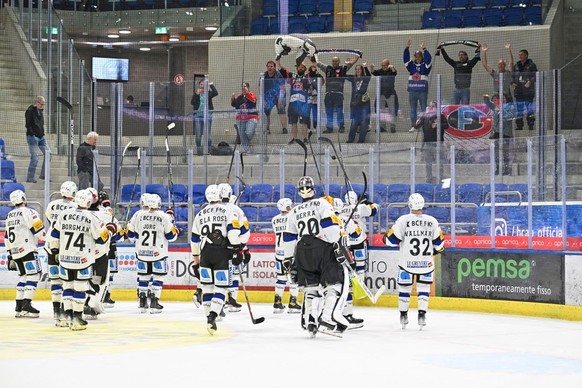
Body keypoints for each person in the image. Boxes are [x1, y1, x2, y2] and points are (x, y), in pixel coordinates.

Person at [284, 176, 350, 337]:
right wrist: (337, 244)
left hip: (302, 250)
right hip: (322, 247)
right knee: (333, 285)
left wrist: (287, 259)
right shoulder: (322, 203)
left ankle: (310, 320)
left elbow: (288, 237)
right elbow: (329, 224)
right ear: (313, 188)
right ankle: (326, 319)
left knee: (310, 288)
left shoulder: (294, 211)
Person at [50, 189, 116, 330]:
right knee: (80, 289)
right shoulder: (91, 217)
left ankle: (66, 316)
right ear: (88, 202)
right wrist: (111, 229)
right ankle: (77, 318)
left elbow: (55, 234)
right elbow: (102, 239)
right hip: (83, 259)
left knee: (67, 287)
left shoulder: (64, 214)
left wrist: (55, 251)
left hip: (65, 258)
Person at [382, 193, 445, 330]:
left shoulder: (403, 220)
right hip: (426, 264)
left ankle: (403, 315)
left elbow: (391, 241)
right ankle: (422, 315)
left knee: (404, 289)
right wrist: (433, 252)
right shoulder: (432, 221)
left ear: (409, 205)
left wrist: (384, 237)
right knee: (424, 289)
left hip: (406, 263)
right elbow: (440, 245)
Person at [190, 184, 244, 335]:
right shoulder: (228, 209)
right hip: (222, 252)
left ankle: (208, 318)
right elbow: (233, 232)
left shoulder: (200, 214)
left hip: (205, 252)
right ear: (220, 196)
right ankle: (214, 315)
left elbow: (194, 239)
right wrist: (237, 249)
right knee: (221, 287)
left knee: (207, 287)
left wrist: (196, 261)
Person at [127, 193, 178, 314]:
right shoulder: (164, 216)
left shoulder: (138, 215)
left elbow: (130, 234)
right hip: (158, 253)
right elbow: (171, 236)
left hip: (142, 252)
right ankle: (154, 302)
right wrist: (173, 223)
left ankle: (142, 302)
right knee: (158, 277)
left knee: (143, 277)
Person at [340, 190, 378, 328]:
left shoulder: (340, 210)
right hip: (359, 241)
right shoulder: (360, 207)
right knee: (360, 267)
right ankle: (359, 289)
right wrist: (367, 202)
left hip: (344, 244)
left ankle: (342, 311)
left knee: (346, 275)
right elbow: (374, 211)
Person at [5, 190, 45, 318]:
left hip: (15, 251)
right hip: (27, 249)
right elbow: (38, 230)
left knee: (23, 276)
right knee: (34, 275)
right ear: (23, 198)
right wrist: (49, 240)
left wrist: (10, 253)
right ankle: (27, 304)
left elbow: (6, 237)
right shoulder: (30, 212)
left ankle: (18, 306)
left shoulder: (10, 215)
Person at [44, 180, 78, 326]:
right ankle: (65, 314)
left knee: (55, 282)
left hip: (50, 246)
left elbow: (49, 219)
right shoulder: (75, 207)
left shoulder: (52, 204)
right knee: (68, 283)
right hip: (66, 248)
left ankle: (56, 314)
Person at [217, 183, 250, 313]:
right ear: (230, 195)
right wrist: (241, 247)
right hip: (233, 248)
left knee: (218, 276)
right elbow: (245, 231)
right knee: (234, 275)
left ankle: (218, 303)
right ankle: (232, 300)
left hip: (213, 249)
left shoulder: (209, 209)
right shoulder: (237, 210)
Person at [271, 197, 301, 314]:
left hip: (278, 252)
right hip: (291, 252)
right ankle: (293, 303)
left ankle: (277, 303)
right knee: (294, 278)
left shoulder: (274, 219)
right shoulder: (292, 217)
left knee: (281, 278)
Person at [317, 55, 359, 133]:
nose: (335, 62)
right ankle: (329, 128)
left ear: (339, 62)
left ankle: (341, 127)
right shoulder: (327, 68)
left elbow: (351, 64)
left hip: (338, 94)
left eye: (336, 61)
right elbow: (317, 63)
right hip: (328, 94)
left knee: (339, 111)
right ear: (332, 62)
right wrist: (309, 55)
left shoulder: (342, 69)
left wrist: (358, 56)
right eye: (333, 61)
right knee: (328, 111)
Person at [412, 101, 449, 183]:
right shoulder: (424, 116)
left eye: (432, 106)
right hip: (427, 143)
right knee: (428, 163)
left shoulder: (440, 116)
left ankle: (440, 178)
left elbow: (447, 126)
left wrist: (438, 125)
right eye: (429, 106)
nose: (430, 108)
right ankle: (429, 179)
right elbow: (416, 126)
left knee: (439, 163)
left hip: (438, 143)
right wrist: (416, 123)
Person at [278, 59, 310, 143]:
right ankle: (294, 138)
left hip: (303, 104)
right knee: (293, 122)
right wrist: (278, 62)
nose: (300, 68)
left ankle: (305, 138)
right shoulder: (292, 76)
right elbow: (283, 71)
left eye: (302, 67)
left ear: (305, 68)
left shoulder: (307, 77)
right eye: (299, 67)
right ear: (296, 68)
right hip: (293, 103)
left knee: (304, 122)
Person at [404, 40, 432, 131]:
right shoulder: (411, 65)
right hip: (412, 91)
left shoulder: (426, 65)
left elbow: (429, 59)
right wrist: (407, 48)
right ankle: (413, 126)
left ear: (422, 56)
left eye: (419, 56)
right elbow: (405, 59)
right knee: (413, 109)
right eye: (416, 56)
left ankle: (425, 125)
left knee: (424, 108)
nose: (417, 58)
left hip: (422, 91)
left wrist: (424, 49)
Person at [484, 94, 516, 175]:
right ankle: (498, 168)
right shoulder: (496, 107)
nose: (503, 100)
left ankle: (506, 169)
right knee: (496, 152)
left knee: (505, 152)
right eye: (501, 99)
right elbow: (487, 102)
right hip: (497, 133)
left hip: (506, 133)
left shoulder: (511, 107)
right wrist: (486, 97)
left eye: (504, 98)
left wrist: (501, 111)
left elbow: (509, 117)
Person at [511, 49, 538, 131]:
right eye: (519, 55)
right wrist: (512, 83)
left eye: (522, 54)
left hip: (528, 92)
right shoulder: (516, 65)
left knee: (529, 109)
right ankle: (519, 125)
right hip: (519, 91)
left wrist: (530, 81)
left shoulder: (531, 65)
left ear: (526, 55)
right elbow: (512, 76)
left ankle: (531, 125)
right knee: (519, 109)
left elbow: (536, 75)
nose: (520, 56)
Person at [370, 59, 399, 133]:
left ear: (388, 65)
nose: (383, 67)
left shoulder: (391, 71)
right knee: (381, 111)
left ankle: (392, 127)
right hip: (381, 94)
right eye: (382, 65)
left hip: (390, 94)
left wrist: (392, 67)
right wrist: (372, 68)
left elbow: (394, 72)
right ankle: (382, 127)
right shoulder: (380, 71)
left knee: (392, 111)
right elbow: (374, 72)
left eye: (385, 65)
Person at [346, 62, 372, 143]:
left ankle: (361, 140)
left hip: (364, 103)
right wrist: (347, 65)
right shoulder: (353, 78)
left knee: (364, 121)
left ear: (362, 70)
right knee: (354, 121)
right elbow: (343, 75)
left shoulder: (365, 79)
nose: (357, 71)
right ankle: (351, 139)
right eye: (356, 69)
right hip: (355, 103)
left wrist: (365, 67)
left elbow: (369, 76)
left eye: (359, 69)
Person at [191, 79, 219, 155]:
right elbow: (192, 102)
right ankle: (199, 150)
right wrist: (196, 95)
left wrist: (211, 85)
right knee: (198, 134)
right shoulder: (197, 93)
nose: (202, 86)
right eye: (201, 84)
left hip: (207, 115)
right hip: (198, 115)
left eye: (204, 84)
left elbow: (216, 93)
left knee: (207, 133)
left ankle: (209, 150)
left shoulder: (208, 93)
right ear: (199, 85)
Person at [25, 96, 48, 183]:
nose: (42, 106)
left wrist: (42, 134)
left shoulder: (40, 111)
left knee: (48, 154)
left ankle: (43, 174)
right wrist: (32, 134)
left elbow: (41, 124)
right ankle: (30, 177)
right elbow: (28, 124)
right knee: (35, 158)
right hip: (33, 137)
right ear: (37, 103)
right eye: (42, 104)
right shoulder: (30, 111)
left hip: (41, 136)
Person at [231, 82, 259, 153]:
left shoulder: (252, 94)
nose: (243, 88)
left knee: (249, 132)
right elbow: (235, 106)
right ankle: (248, 150)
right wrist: (233, 99)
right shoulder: (239, 97)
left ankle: (247, 141)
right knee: (242, 134)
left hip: (251, 117)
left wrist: (246, 94)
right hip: (241, 118)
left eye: (245, 86)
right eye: (242, 87)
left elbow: (253, 101)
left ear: (248, 88)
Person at [263, 60, 288, 135]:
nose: (270, 68)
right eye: (268, 66)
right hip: (269, 96)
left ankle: (284, 128)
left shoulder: (278, 75)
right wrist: (263, 100)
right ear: (266, 67)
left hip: (279, 94)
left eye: (271, 66)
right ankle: (267, 129)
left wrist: (280, 98)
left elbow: (282, 87)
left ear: (274, 67)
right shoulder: (264, 76)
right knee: (266, 111)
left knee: (281, 110)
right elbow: (261, 88)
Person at [306, 63, 324, 131]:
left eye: (314, 69)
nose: (313, 70)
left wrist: (318, 75)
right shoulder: (307, 76)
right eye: (312, 69)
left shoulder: (318, 77)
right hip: (308, 97)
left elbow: (321, 83)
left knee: (315, 112)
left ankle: (315, 127)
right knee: (307, 112)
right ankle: (308, 127)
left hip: (316, 97)